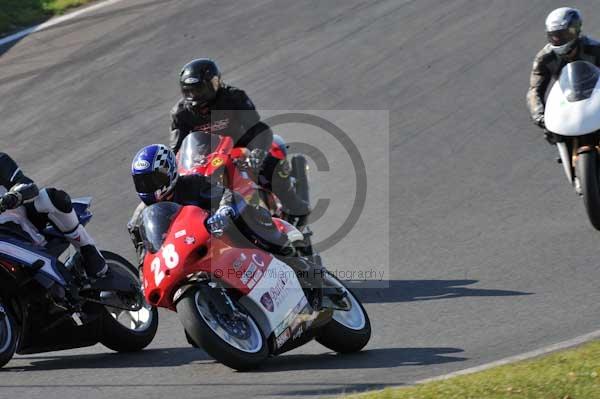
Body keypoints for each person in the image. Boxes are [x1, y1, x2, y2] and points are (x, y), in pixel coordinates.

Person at [169, 58, 309, 217]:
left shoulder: (234, 97)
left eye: (199, 89)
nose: (194, 95)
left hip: (240, 150)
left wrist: (258, 152)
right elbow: (176, 150)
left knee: (270, 167)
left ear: (214, 83)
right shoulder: (180, 114)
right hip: (205, 160)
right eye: (189, 91)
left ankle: (294, 207)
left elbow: (258, 129)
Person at [0, 153, 107, 279]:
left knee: (48, 198)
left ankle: (87, 248)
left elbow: (27, 184)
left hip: (26, 231)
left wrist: (13, 196)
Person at [527, 7, 600, 144]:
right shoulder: (544, 58)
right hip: (567, 103)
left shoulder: (596, 49)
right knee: (553, 134)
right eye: (554, 35)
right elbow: (534, 90)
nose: (558, 39)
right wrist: (540, 116)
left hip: (596, 99)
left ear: (575, 30)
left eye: (562, 34)